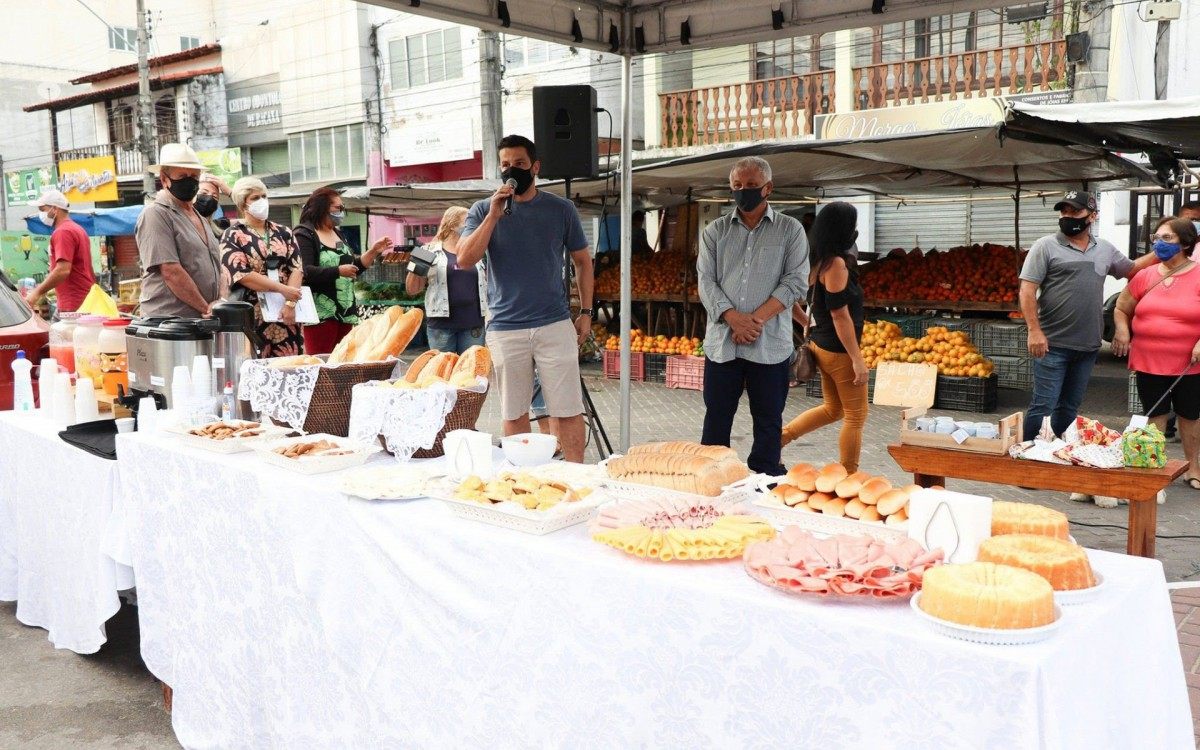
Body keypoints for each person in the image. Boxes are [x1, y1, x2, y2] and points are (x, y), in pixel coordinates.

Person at [456, 134, 594, 463]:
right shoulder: (481, 210)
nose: (512, 170)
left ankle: (576, 476)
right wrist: (493, 216)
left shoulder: (561, 209)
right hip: (505, 327)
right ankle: (521, 478)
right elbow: (463, 259)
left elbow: (583, 261)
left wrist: (586, 311)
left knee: (567, 409)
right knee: (514, 410)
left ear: (535, 167)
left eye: (519, 164)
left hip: (554, 323)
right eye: (505, 165)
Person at [697, 156, 809, 475]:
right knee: (717, 417)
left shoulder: (791, 230)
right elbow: (706, 281)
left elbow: (795, 282)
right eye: (736, 186)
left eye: (750, 186)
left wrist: (754, 320)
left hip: (769, 345)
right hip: (723, 344)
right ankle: (714, 478)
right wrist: (733, 318)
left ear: (767, 188)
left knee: (769, 421)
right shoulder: (714, 231)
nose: (742, 191)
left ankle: (764, 479)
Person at [1019, 190, 1156, 444]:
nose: (1067, 216)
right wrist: (1034, 330)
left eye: (1074, 211)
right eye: (1064, 211)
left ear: (1092, 216)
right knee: (1044, 406)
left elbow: (1132, 270)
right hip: (1052, 344)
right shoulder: (1045, 246)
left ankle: (1057, 451)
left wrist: (1162, 251)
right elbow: (1027, 290)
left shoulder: (1104, 249)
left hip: (1088, 346)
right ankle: (1029, 457)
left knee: (1069, 407)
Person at [1112, 216, 1200, 494]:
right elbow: (1121, 307)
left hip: (1190, 362)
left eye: (1166, 238)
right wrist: (1122, 331)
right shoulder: (1145, 275)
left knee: (1190, 415)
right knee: (1156, 414)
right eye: (1156, 238)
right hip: (1148, 359)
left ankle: (1193, 468)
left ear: (1185, 243)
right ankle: (1155, 466)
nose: (1158, 244)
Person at [780, 202, 868, 471]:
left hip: (820, 345)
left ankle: (779, 439)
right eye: (852, 225)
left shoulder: (815, 261)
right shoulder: (837, 264)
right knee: (855, 416)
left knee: (833, 409)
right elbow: (840, 315)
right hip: (838, 351)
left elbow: (790, 299)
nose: (855, 231)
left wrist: (807, 323)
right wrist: (857, 359)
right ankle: (849, 474)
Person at [293, 187, 392, 355]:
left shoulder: (338, 234)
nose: (341, 212)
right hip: (321, 313)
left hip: (346, 311)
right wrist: (338, 271)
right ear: (322, 207)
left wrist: (373, 251)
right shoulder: (305, 234)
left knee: (343, 361)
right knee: (321, 362)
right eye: (337, 208)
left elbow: (353, 268)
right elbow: (305, 271)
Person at [135, 143, 224, 318]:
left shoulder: (198, 216)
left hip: (201, 320)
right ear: (164, 179)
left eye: (194, 176)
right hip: (171, 322)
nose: (189, 181)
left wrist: (220, 301)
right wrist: (206, 308)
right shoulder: (156, 214)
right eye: (182, 176)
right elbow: (170, 271)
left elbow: (217, 268)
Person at [219, 177, 305, 358]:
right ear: (243, 203)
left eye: (264, 196)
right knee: (254, 368)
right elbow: (241, 274)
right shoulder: (233, 235)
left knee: (289, 369)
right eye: (255, 198)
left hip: (285, 314)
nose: (262, 201)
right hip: (252, 314)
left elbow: (297, 268)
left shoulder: (284, 232)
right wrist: (282, 289)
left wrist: (290, 303)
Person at [404, 206, 488, 355]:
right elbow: (412, 289)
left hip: (474, 325)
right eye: (468, 221)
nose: (472, 225)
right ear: (452, 224)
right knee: (443, 373)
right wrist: (420, 258)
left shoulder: (476, 251)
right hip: (442, 327)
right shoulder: (428, 251)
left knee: (471, 373)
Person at [25, 189, 95, 313]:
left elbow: (62, 270)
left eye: (43, 210)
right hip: (84, 300)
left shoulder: (63, 232)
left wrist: (37, 292)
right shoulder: (77, 229)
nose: (41, 214)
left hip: (73, 304)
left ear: (54, 209)